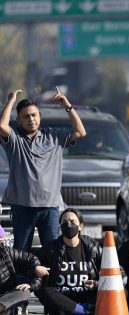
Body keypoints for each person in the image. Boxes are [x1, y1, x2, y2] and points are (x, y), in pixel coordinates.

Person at [0, 88, 86, 251]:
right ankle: (23, 278)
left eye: (34, 115)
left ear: (39, 116)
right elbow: (2, 126)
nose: (31, 119)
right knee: (22, 253)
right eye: (25, 116)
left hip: (50, 207)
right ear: (18, 120)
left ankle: (51, 278)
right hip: (22, 207)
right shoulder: (14, 140)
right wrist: (10, 100)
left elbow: (80, 132)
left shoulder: (54, 136)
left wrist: (66, 105)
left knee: (53, 253)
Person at [35, 208, 101, 315]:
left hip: (87, 297)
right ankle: (82, 311)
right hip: (61, 299)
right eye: (64, 222)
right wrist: (35, 268)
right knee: (45, 291)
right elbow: (31, 262)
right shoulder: (51, 248)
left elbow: (114, 274)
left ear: (80, 226)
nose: (68, 224)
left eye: (72, 221)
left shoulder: (93, 247)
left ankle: (79, 310)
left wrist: (96, 284)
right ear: (60, 226)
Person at [0, 225, 42, 313]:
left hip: (5, 300)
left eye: (1, 241)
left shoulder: (6, 252)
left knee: (24, 292)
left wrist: (31, 284)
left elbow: (32, 259)